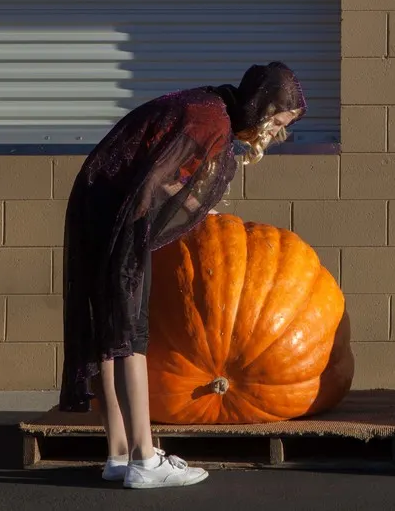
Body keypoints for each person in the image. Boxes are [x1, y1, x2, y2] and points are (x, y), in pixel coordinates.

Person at [58, 62, 305, 489]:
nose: (276, 133)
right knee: (131, 335)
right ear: (262, 107)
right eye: (278, 122)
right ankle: (144, 458)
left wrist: (193, 205)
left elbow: (157, 170)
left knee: (109, 334)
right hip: (119, 217)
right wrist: (192, 209)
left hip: (100, 207)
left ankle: (118, 454)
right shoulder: (209, 119)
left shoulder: (206, 106)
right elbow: (155, 178)